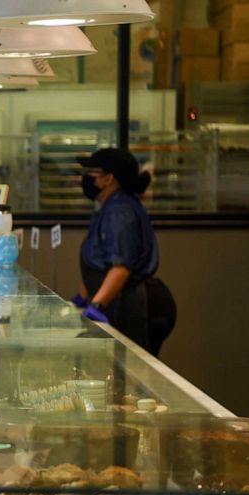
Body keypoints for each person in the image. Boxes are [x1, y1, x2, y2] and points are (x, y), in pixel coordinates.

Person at [73, 147, 176, 357]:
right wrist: (80, 299)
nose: (84, 179)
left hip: (137, 304)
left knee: (134, 371)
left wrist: (96, 306)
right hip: (119, 300)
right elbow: (97, 260)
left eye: (91, 174)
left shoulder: (120, 211)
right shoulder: (108, 207)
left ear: (108, 179)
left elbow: (121, 267)